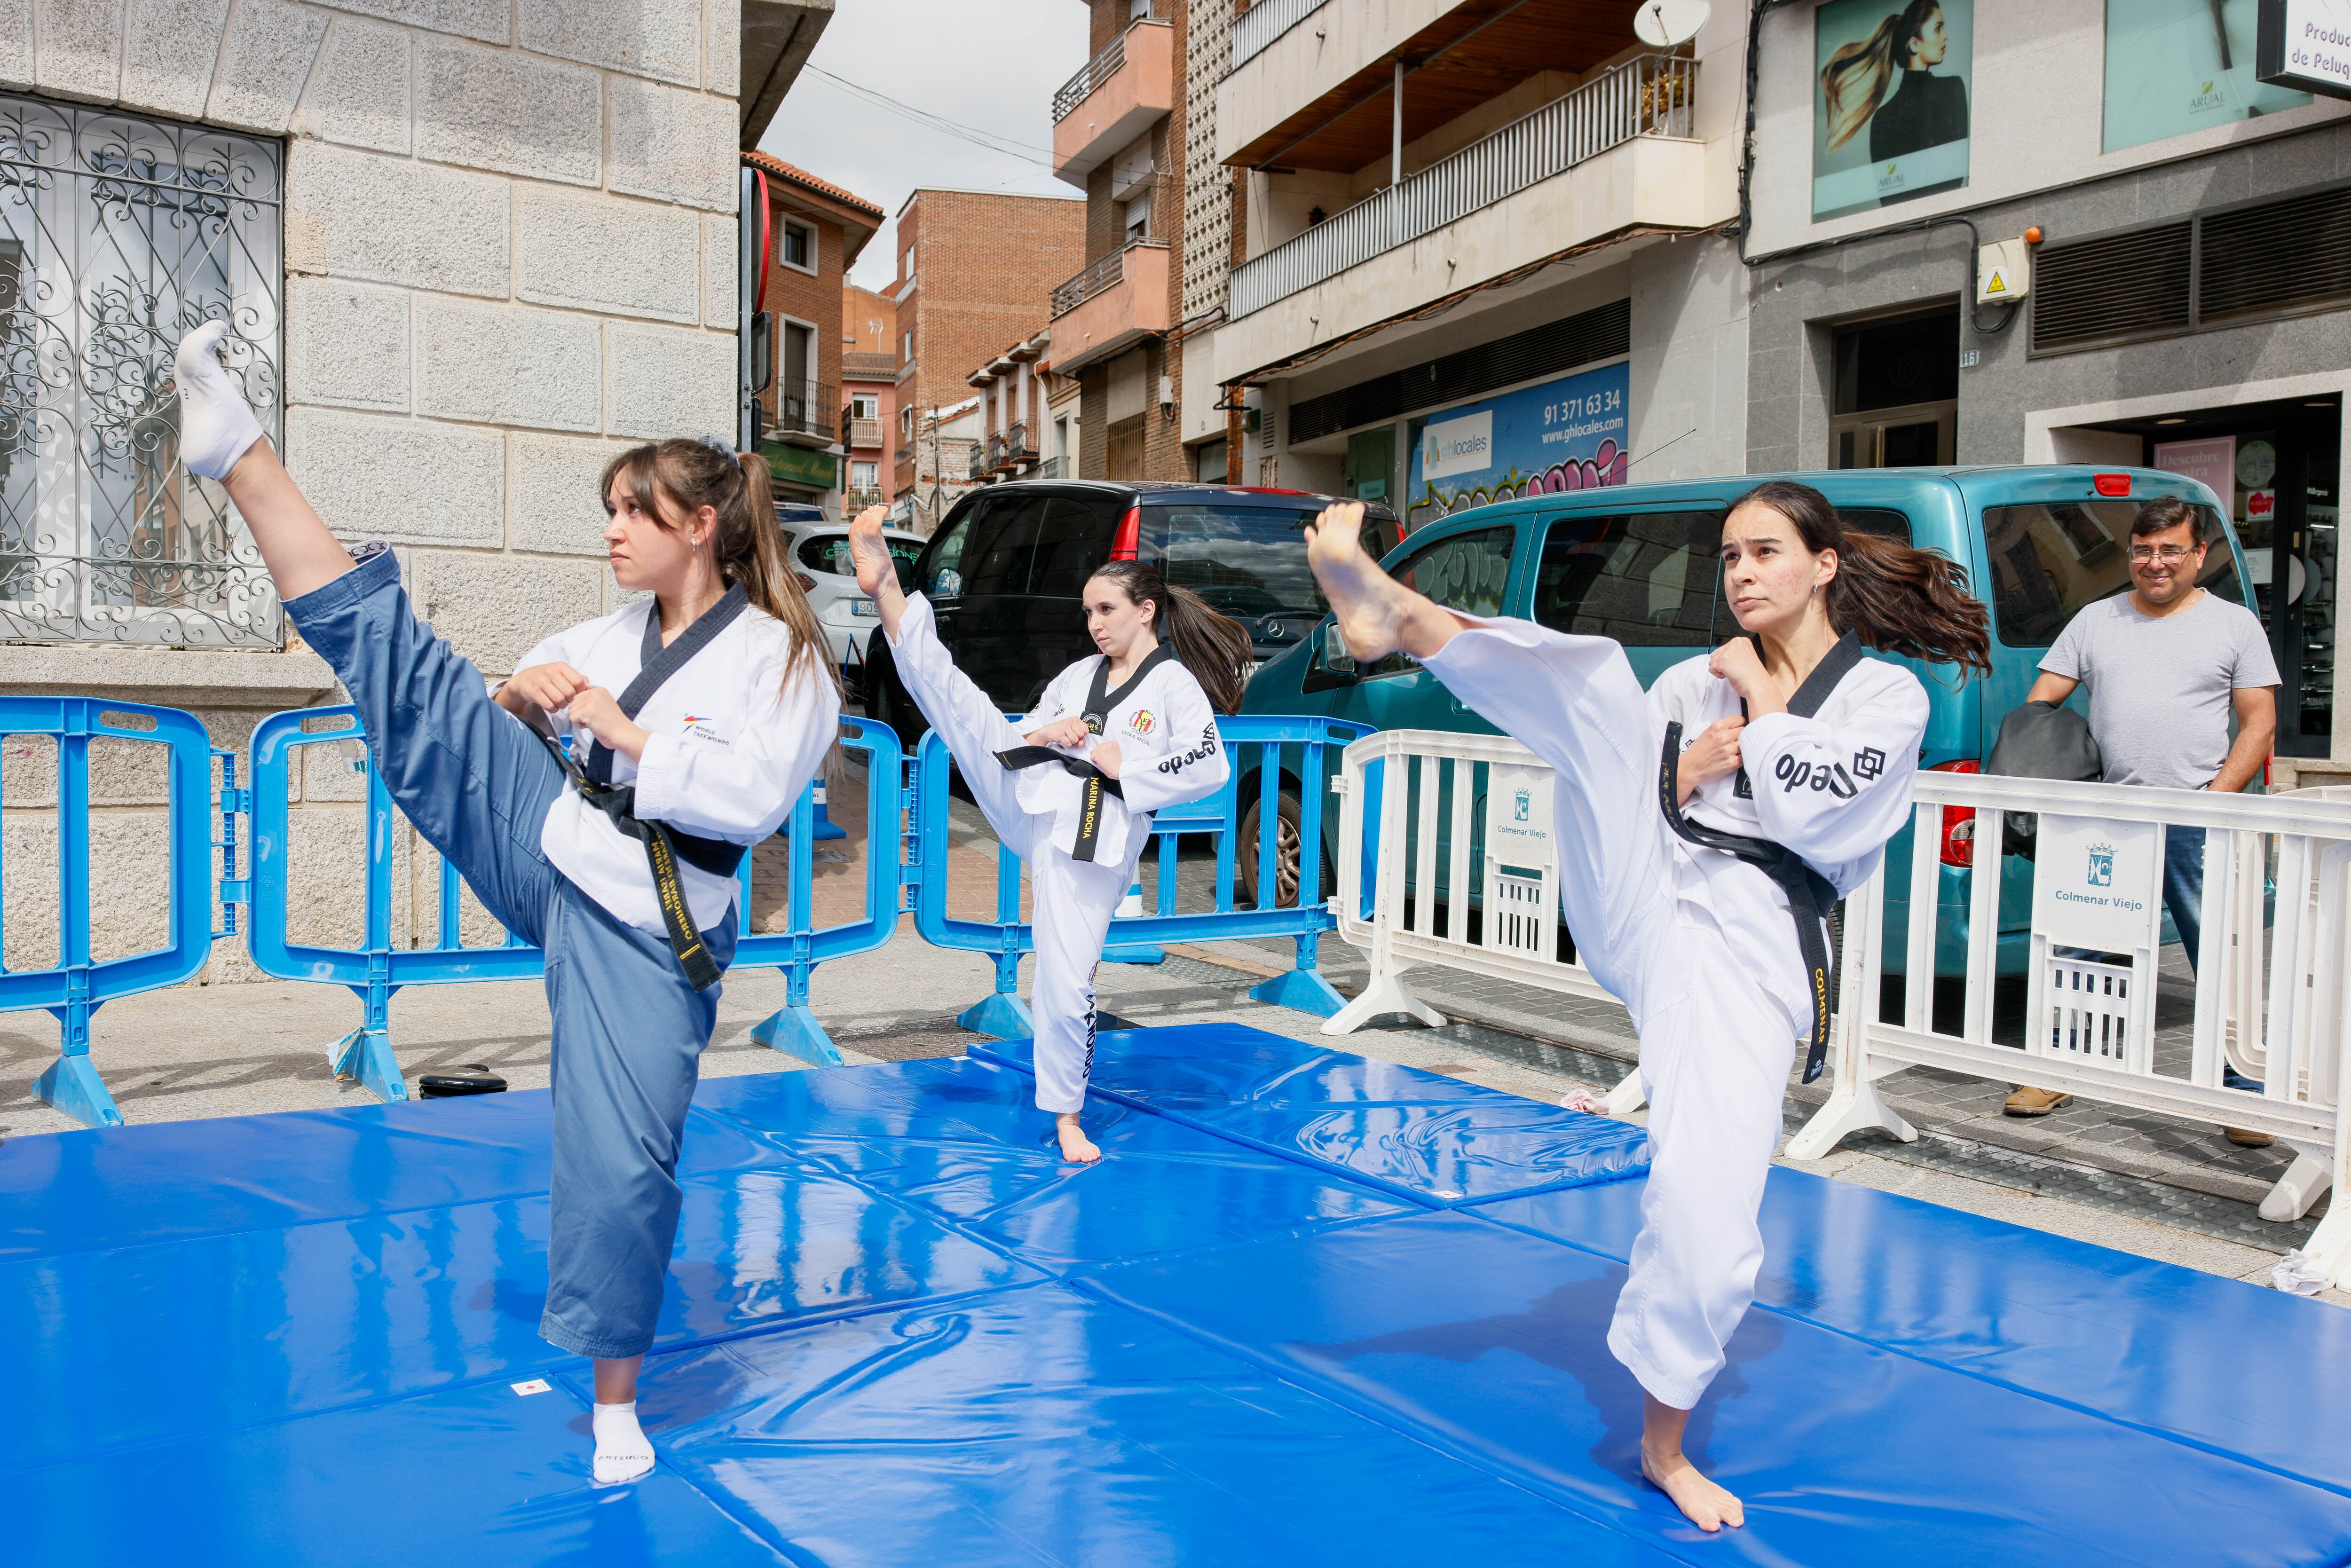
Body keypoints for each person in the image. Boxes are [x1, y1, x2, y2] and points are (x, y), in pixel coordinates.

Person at [171, 321, 840, 1487]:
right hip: (556, 841)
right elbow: (506, 704)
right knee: (418, 680)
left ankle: (617, 1395)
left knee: (623, 1162)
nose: (611, 531)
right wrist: (521, 697)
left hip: (655, 916)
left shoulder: (785, 661)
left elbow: (745, 801)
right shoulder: (611, 629)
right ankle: (241, 456)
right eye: (610, 508)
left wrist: (628, 729)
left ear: (700, 525)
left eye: (633, 511)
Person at [1303, 481, 1989, 1532]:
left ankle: (1663, 1444)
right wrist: (1690, 759)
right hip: (1646, 898)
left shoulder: (1883, 697)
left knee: (1707, 1214)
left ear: (1823, 566)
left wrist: (1756, 703)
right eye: (1728, 557)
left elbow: (1816, 814)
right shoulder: (1691, 682)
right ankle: (1404, 620)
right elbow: (1652, 787)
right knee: (1601, 692)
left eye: (1765, 552)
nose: (1743, 573)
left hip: (1749, 944)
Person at [846, 505, 1245, 1163]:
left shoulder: (1173, 685)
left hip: (1093, 842)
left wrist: (1128, 763)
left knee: (1064, 982)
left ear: (1145, 611)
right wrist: (1047, 731)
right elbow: (1030, 725)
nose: (1095, 625)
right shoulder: (1078, 675)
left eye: (1107, 610)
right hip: (1034, 795)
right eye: (1088, 613)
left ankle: (1067, 1117)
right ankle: (887, 585)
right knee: (964, 710)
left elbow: (1209, 765)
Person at [2004, 495, 2278, 1141]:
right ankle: (2056, 1066)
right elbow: (2041, 706)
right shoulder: (2096, 620)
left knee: (2219, 951)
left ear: (2198, 555)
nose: (2156, 563)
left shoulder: (2234, 624)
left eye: (2171, 550)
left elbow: (2259, 722)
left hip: (2194, 816)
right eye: (2144, 551)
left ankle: (2240, 1092)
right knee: (2078, 943)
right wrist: (2051, 776)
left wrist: (2214, 797)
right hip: (2110, 817)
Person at [1820, 1, 1970, 205]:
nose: (1945, 36)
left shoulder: (1884, 117)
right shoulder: (1951, 89)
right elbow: (1890, 195)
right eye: (1938, 29)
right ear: (1915, 44)